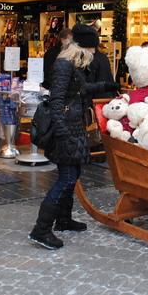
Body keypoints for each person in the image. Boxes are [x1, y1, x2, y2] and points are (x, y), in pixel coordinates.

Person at [28, 28, 118, 250]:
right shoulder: (63, 65)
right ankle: (41, 229)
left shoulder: (72, 64)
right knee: (67, 177)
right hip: (65, 129)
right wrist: (61, 132)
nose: (95, 52)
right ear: (84, 46)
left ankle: (64, 219)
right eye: (93, 47)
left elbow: (79, 89)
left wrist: (106, 86)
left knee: (73, 173)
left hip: (73, 126)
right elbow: (57, 99)